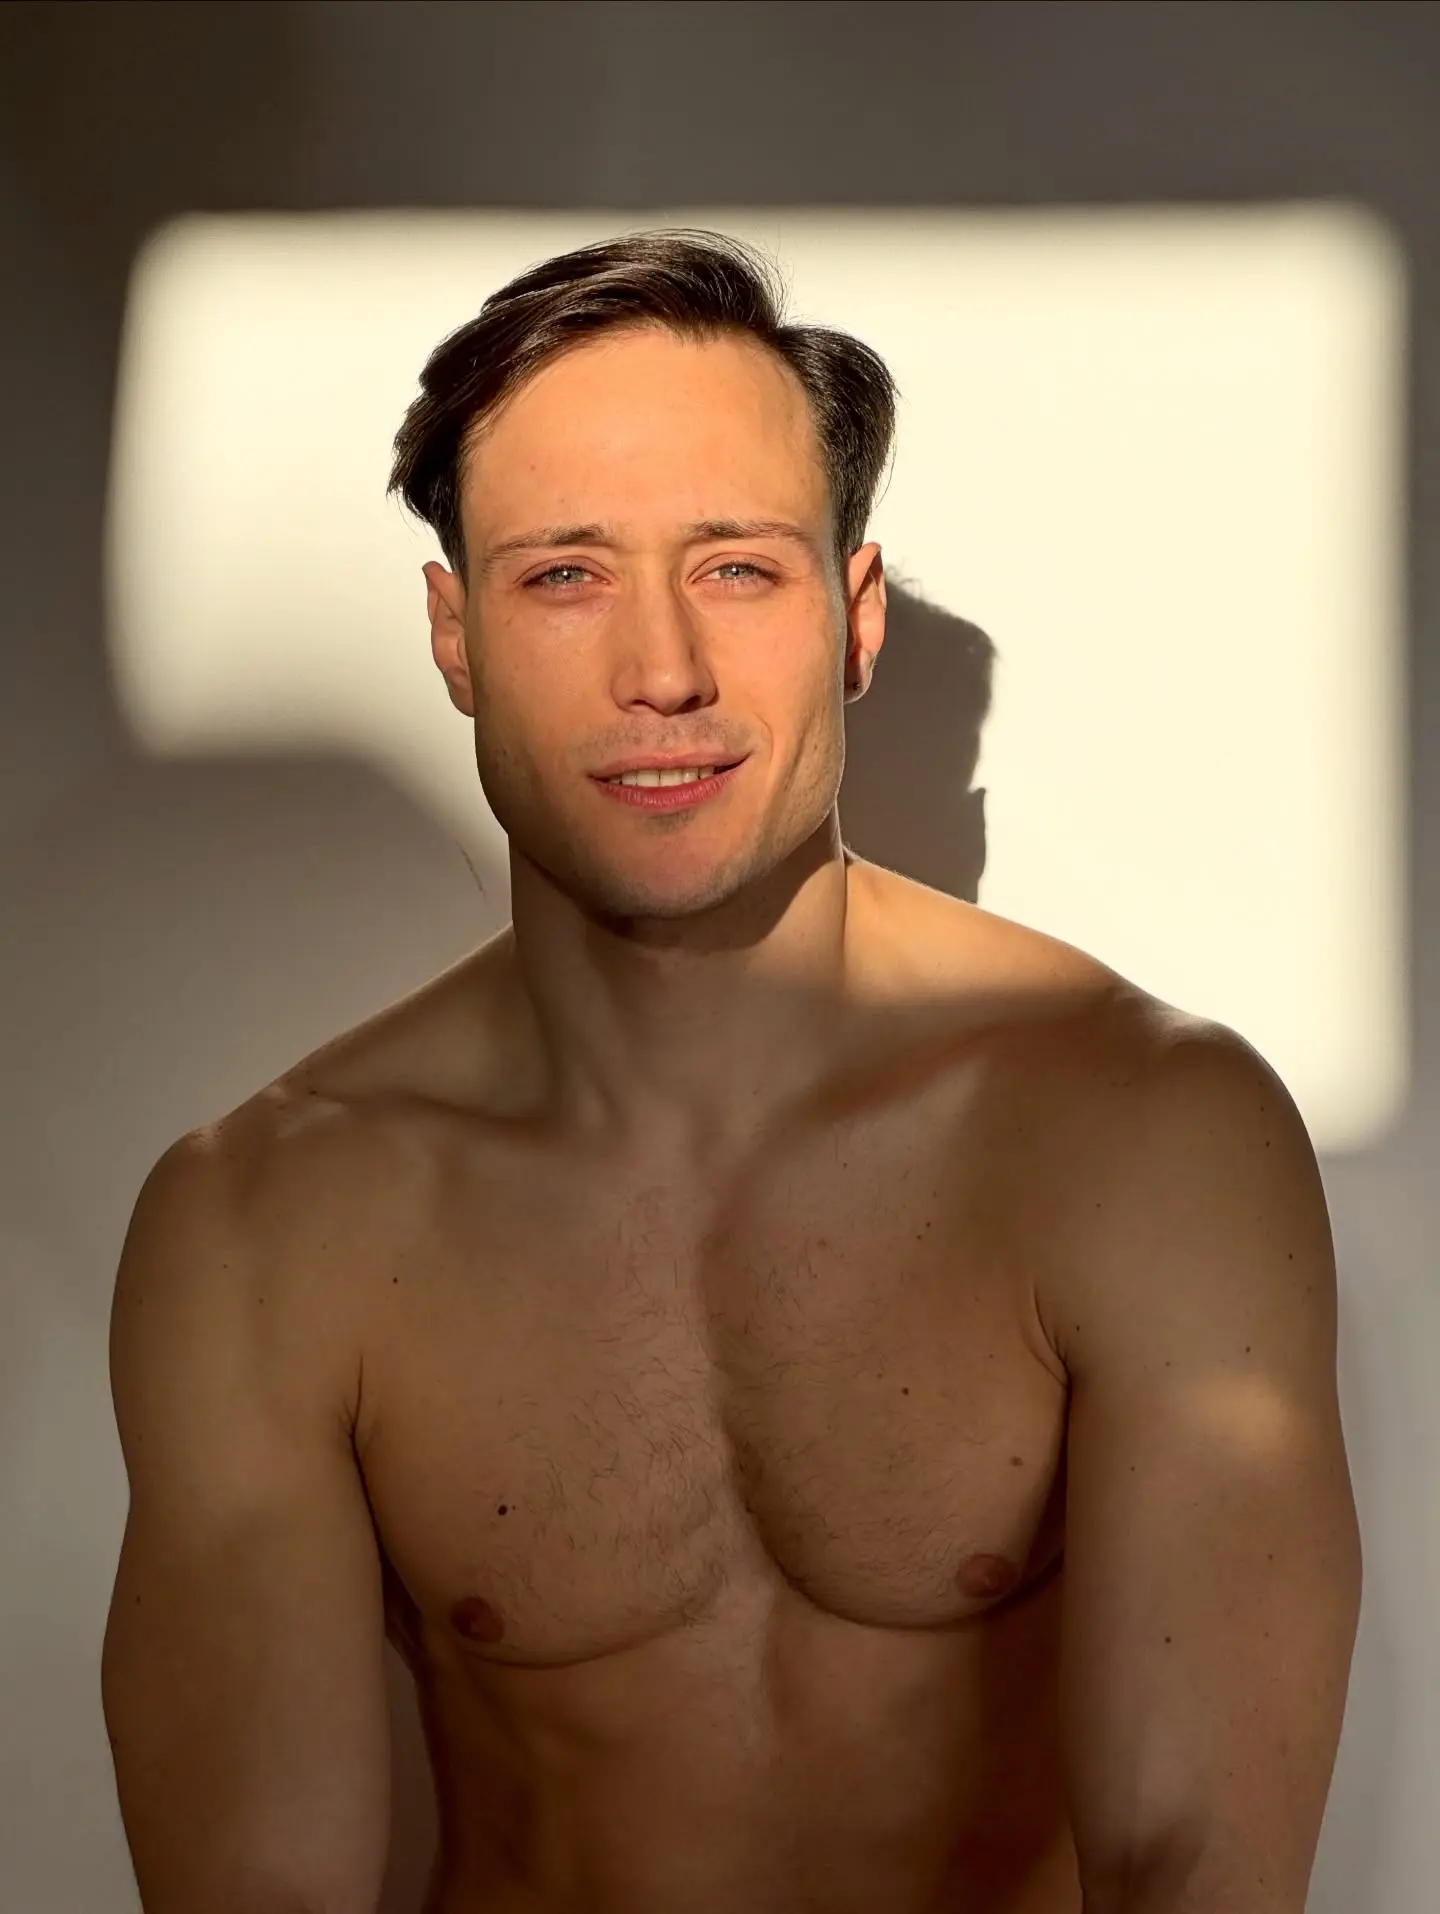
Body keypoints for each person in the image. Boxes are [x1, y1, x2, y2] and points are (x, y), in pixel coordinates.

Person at [100, 229, 1362, 1914]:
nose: (663, 672)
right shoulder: (267, 1222)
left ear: (850, 614)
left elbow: (1196, 1867)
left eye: (736, 568)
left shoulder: (1147, 1139)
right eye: (563, 574)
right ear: (455, 632)